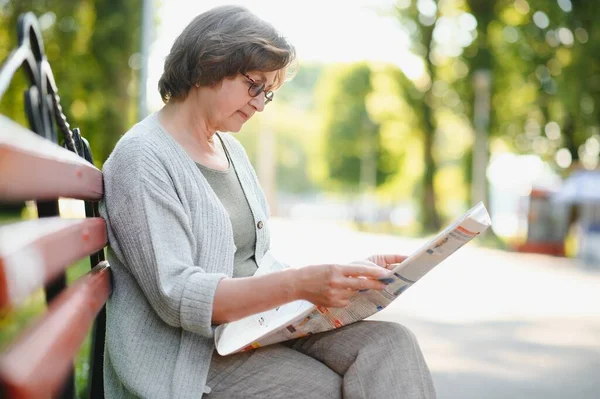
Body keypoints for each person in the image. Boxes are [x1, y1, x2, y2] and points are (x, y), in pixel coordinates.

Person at [100, 5, 436, 399]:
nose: (260, 103)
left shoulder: (231, 150)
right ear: (209, 63)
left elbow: (255, 263)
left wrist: (345, 276)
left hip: (256, 327)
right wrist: (299, 285)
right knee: (326, 389)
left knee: (391, 344)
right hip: (191, 355)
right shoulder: (141, 158)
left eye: (268, 93)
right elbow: (179, 297)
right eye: (254, 84)